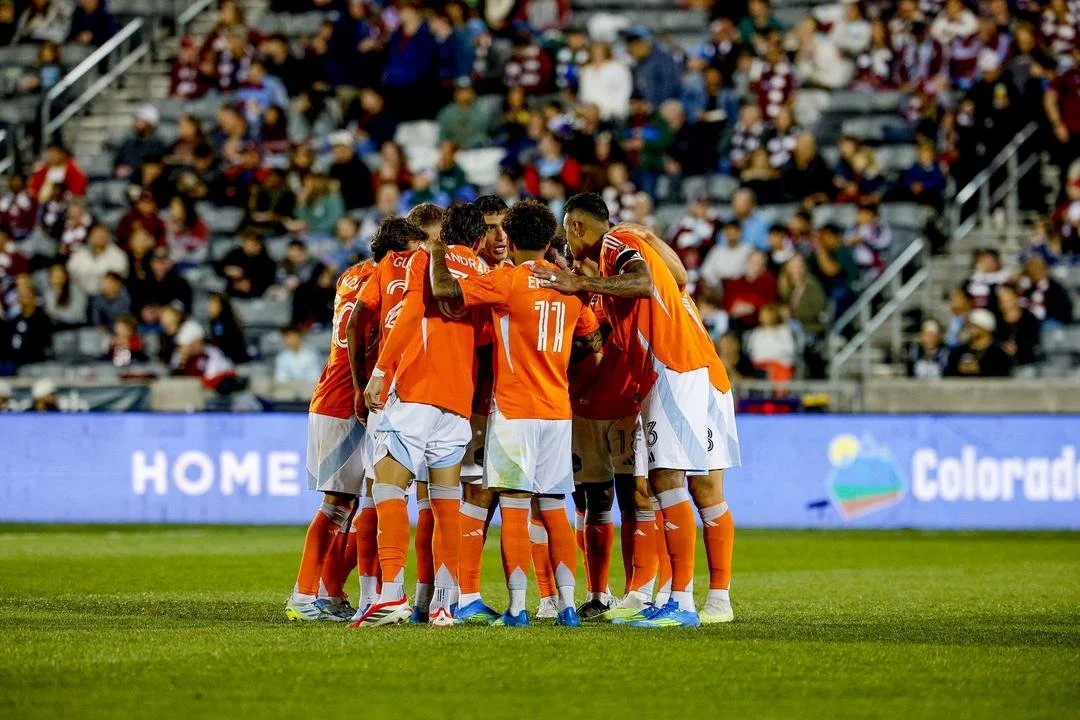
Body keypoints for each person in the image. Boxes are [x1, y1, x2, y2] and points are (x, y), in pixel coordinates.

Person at [539, 192, 741, 627]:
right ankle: (715, 600)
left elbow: (643, 281)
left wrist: (584, 283)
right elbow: (680, 277)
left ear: (575, 227)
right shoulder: (631, 242)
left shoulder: (614, 242)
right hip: (700, 370)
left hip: (672, 370)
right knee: (703, 488)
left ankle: (681, 603)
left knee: (665, 479)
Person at [428, 199, 599, 628]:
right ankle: (568, 607)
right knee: (558, 510)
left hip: (514, 411)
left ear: (512, 238)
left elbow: (447, 292)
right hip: (558, 412)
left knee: (516, 510)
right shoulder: (570, 286)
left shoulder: (506, 281)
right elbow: (595, 343)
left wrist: (435, 253)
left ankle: (518, 608)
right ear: (548, 240)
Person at [356, 203, 490, 628]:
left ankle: (391, 596)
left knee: (387, 487)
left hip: (417, 388)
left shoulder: (425, 259)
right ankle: (444, 605)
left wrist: (380, 372)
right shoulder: (484, 274)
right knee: (447, 502)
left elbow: (412, 314)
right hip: (457, 400)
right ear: (481, 239)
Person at [284, 241, 377, 622]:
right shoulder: (381, 279)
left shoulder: (352, 276)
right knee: (340, 505)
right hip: (344, 402)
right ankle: (303, 597)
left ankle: (329, 592)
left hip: (336, 396)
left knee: (356, 503)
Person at [623, 26, 680, 108]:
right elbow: (638, 90)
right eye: (630, 44)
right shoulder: (639, 64)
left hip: (664, 112)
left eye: (636, 43)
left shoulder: (663, 60)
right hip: (648, 112)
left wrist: (653, 105)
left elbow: (670, 89)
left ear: (646, 43)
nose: (631, 48)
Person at [944, 308, 1012, 377]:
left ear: (987, 327)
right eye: (970, 324)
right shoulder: (958, 351)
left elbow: (1003, 375)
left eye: (975, 325)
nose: (971, 327)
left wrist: (980, 369)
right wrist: (959, 370)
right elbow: (946, 374)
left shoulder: (998, 353)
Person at [578, 41, 633, 121]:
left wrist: (618, 107)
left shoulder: (618, 68)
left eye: (600, 51)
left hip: (613, 113)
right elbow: (584, 92)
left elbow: (625, 89)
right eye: (594, 51)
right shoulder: (586, 70)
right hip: (591, 115)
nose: (597, 54)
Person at [68, 224, 129, 296]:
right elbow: (71, 274)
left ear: (109, 237)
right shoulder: (79, 254)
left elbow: (120, 278)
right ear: (90, 237)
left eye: (103, 235)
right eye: (96, 235)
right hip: (81, 294)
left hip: (108, 296)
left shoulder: (119, 255)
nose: (100, 238)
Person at [699, 221, 752, 301]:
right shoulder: (716, 250)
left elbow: (751, 274)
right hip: (718, 291)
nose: (731, 233)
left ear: (740, 232)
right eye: (728, 231)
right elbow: (705, 273)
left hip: (740, 291)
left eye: (733, 230)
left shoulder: (748, 250)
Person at [217, 230, 276, 298]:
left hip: (253, 296)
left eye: (252, 243)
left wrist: (248, 284)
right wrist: (226, 270)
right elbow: (219, 266)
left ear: (259, 246)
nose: (248, 245)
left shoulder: (267, 263)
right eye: (247, 242)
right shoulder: (236, 253)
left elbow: (266, 282)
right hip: (229, 292)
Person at [114, 105, 167, 180]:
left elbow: (152, 168)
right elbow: (118, 162)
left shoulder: (157, 145)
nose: (136, 123)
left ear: (150, 123)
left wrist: (132, 171)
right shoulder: (128, 144)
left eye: (140, 120)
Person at [995, 283, 1041, 371]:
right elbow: (994, 339)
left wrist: (1018, 347)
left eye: (1008, 299)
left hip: (1026, 360)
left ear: (1016, 298)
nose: (1005, 303)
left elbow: (1034, 340)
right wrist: (1003, 346)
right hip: (1001, 360)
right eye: (1002, 300)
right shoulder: (997, 319)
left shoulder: (1029, 318)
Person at [744, 303, 796, 380]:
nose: (765, 317)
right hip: (760, 367)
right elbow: (752, 352)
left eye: (768, 314)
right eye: (763, 314)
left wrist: (774, 360)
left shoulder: (783, 331)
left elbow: (790, 350)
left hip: (780, 365)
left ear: (775, 315)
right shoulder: (756, 333)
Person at [436, 79, 492, 150]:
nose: (465, 94)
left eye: (468, 91)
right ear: (455, 93)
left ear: (473, 93)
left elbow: (486, 135)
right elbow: (443, 136)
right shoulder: (446, 112)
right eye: (461, 91)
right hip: (454, 151)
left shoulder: (484, 111)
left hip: (478, 151)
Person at [327, 132, 374, 211]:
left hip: (362, 208)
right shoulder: (333, 168)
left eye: (342, 148)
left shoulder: (360, 166)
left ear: (350, 148)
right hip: (342, 210)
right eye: (335, 149)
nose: (338, 152)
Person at [206, 292, 249, 365]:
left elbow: (221, 343)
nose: (209, 308)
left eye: (213, 305)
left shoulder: (224, 322)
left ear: (221, 307)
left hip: (233, 360)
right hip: (225, 358)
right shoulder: (216, 321)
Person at [43, 262, 87, 328]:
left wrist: (56, 313)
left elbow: (78, 314)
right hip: (56, 329)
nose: (57, 277)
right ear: (50, 278)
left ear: (65, 276)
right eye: (54, 275)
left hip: (76, 327)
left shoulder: (76, 290)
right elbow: (49, 316)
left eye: (59, 275)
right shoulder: (48, 294)